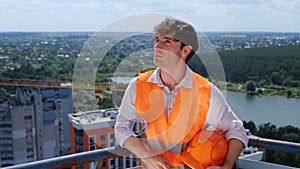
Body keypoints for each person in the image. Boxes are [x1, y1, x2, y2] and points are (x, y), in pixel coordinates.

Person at [115, 17, 248, 169]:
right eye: (157, 40)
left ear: (185, 50)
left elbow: (236, 130)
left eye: (167, 41)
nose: (157, 46)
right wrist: (147, 155)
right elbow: (121, 128)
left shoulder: (207, 92)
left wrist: (227, 166)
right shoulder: (138, 86)